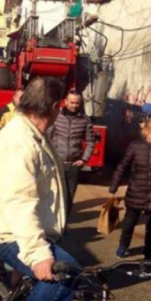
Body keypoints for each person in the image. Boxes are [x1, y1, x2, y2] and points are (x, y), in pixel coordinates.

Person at [0, 77, 78, 301]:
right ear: (55, 106)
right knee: (66, 276)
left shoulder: (34, 135)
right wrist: (39, 255)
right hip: (12, 236)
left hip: (27, 232)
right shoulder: (20, 142)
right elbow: (20, 202)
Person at [109, 118, 151, 259]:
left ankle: (149, 253)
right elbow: (123, 166)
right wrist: (114, 185)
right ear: (146, 131)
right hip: (136, 191)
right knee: (129, 223)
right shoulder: (135, 146)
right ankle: (123, 245)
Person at [48, 89, 95, 219]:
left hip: (74, 166)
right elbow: (47, 138)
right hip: (57, 164)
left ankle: (64, 225)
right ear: (65, 101)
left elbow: (91, 141)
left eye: (77, 103)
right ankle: (52, 224)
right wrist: (50, 158)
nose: (74, 105)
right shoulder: (56, 117)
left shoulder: (85, 120)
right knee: (53, 196)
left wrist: (84, 160)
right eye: (72, 102)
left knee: (68, 198)